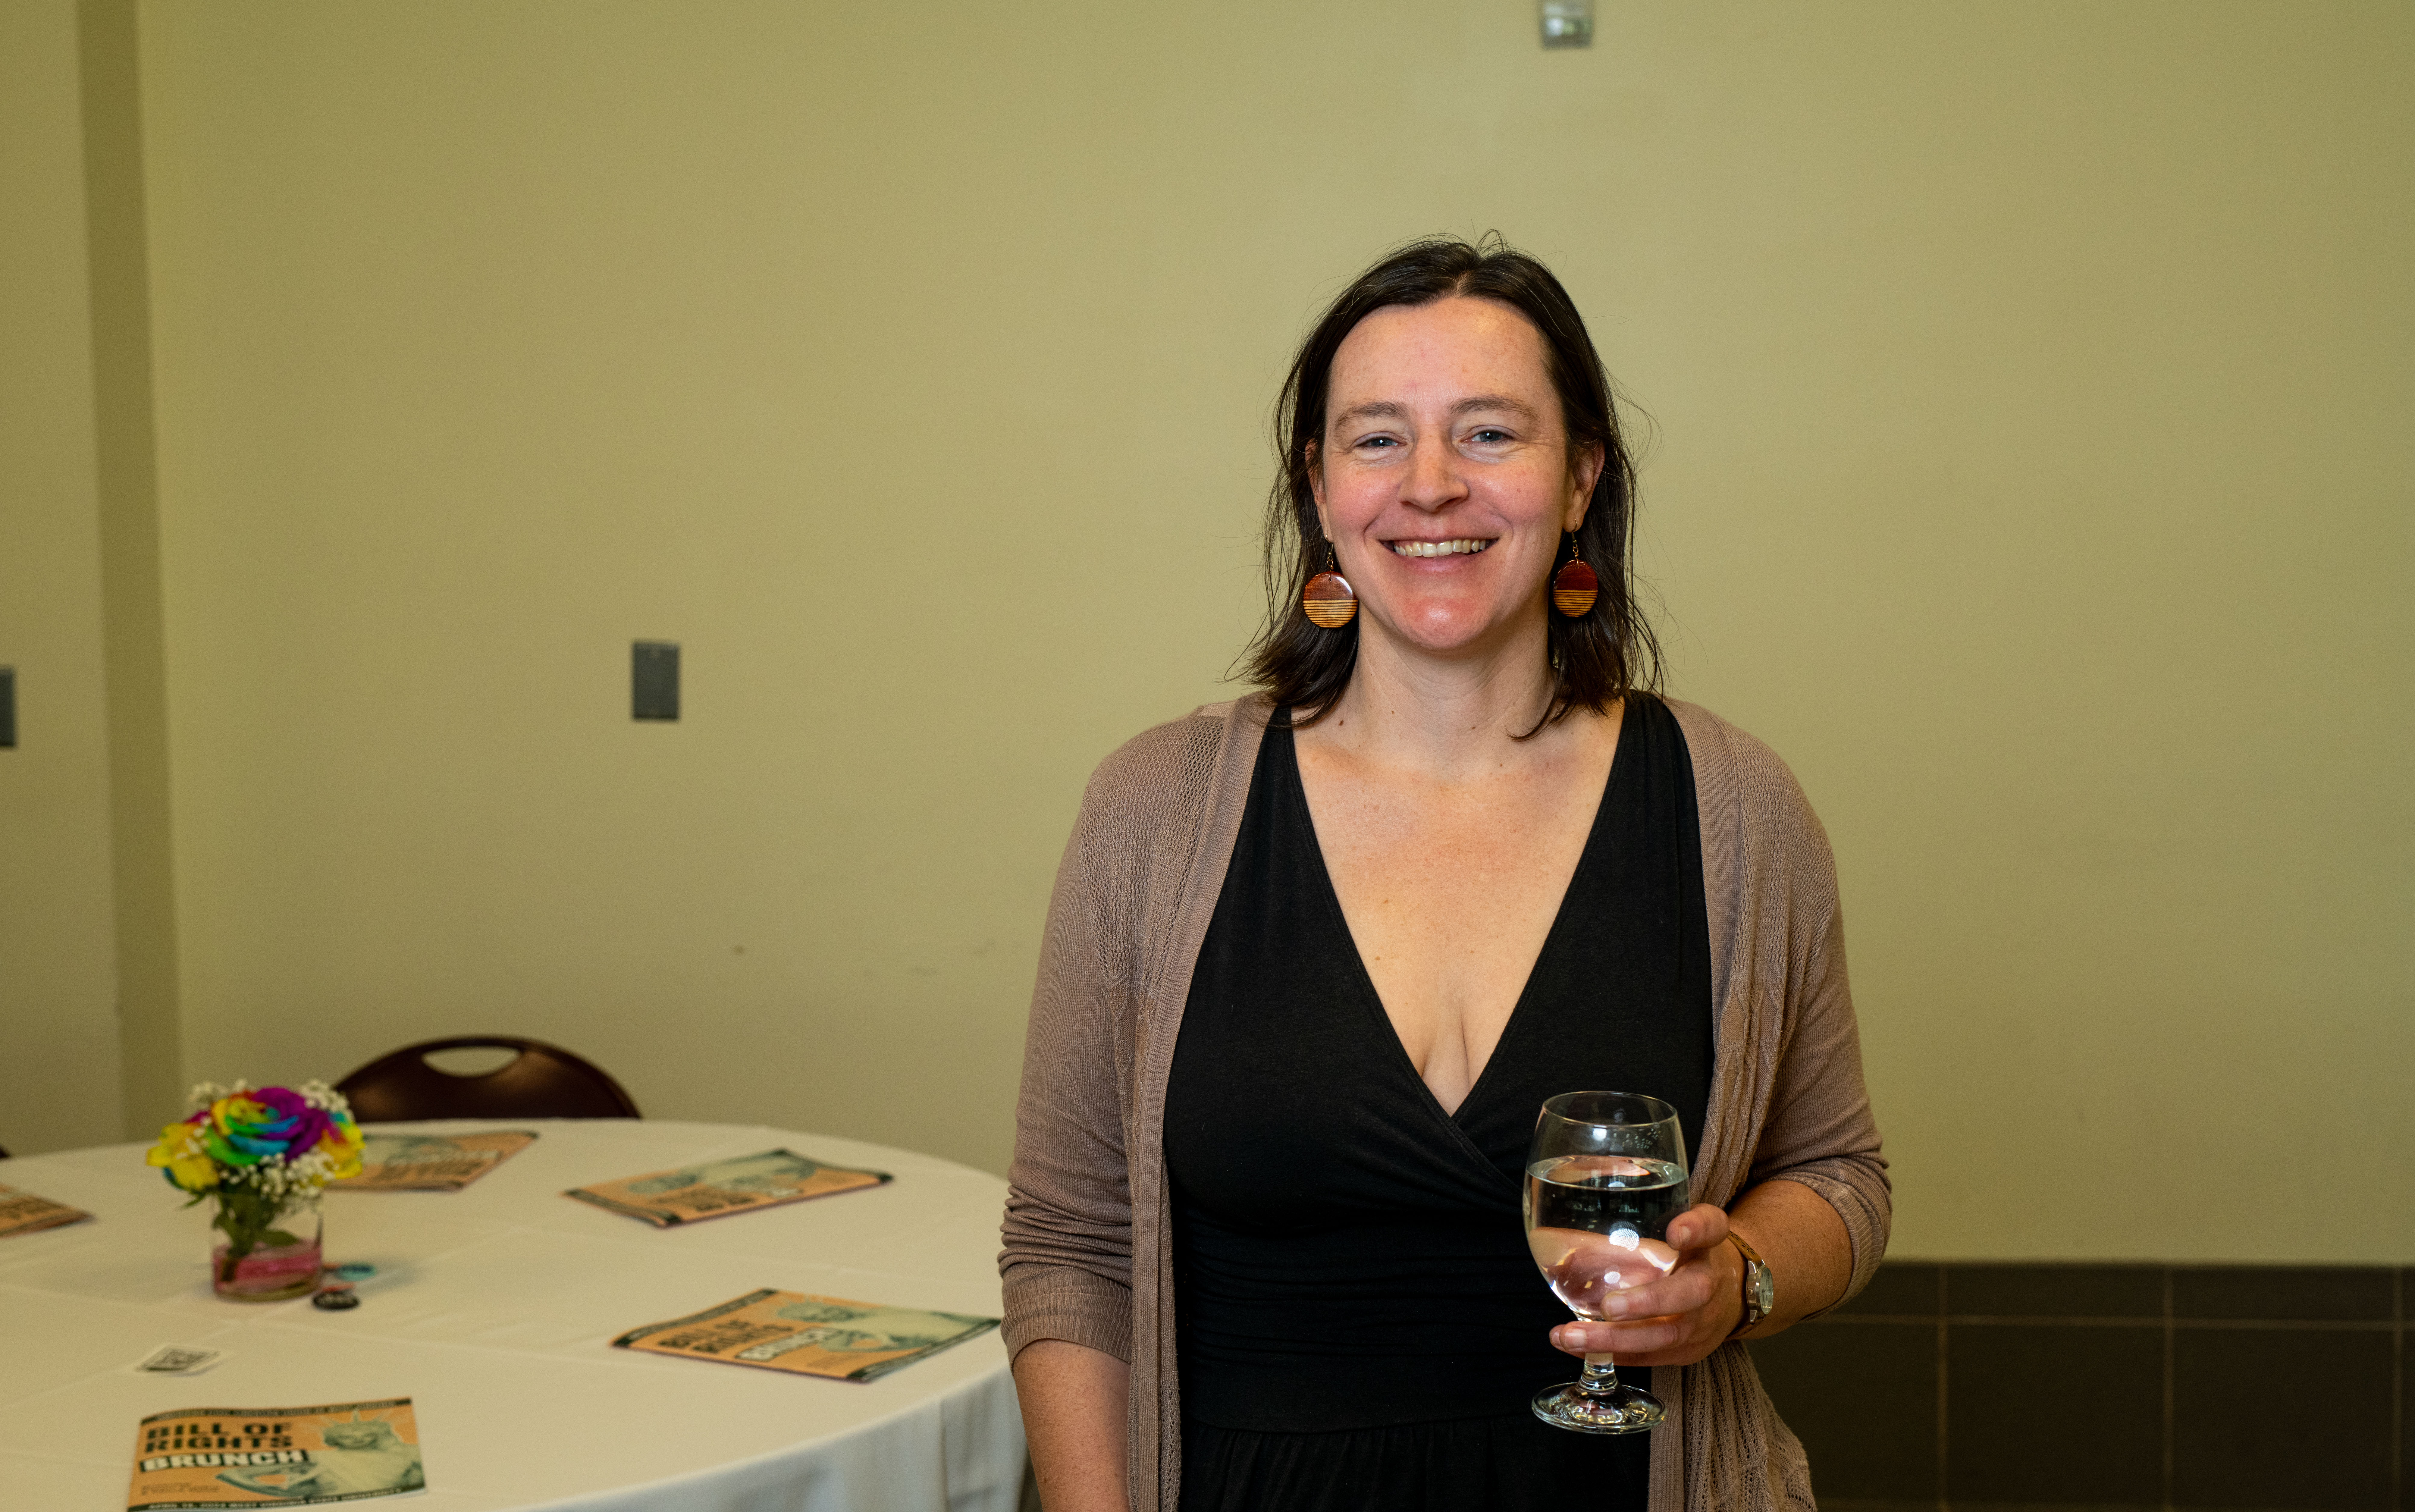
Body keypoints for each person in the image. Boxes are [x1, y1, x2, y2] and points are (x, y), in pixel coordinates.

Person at [999, 236, 1887, 1512]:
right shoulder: (1154, 813)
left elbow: (1841, 1173)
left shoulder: (1735, 806)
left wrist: (1738, 1276)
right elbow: (1072, 1246)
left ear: (1579, 474)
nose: (1429, 486)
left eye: (1487, 434)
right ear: (1317, 487)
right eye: (1375, 438)